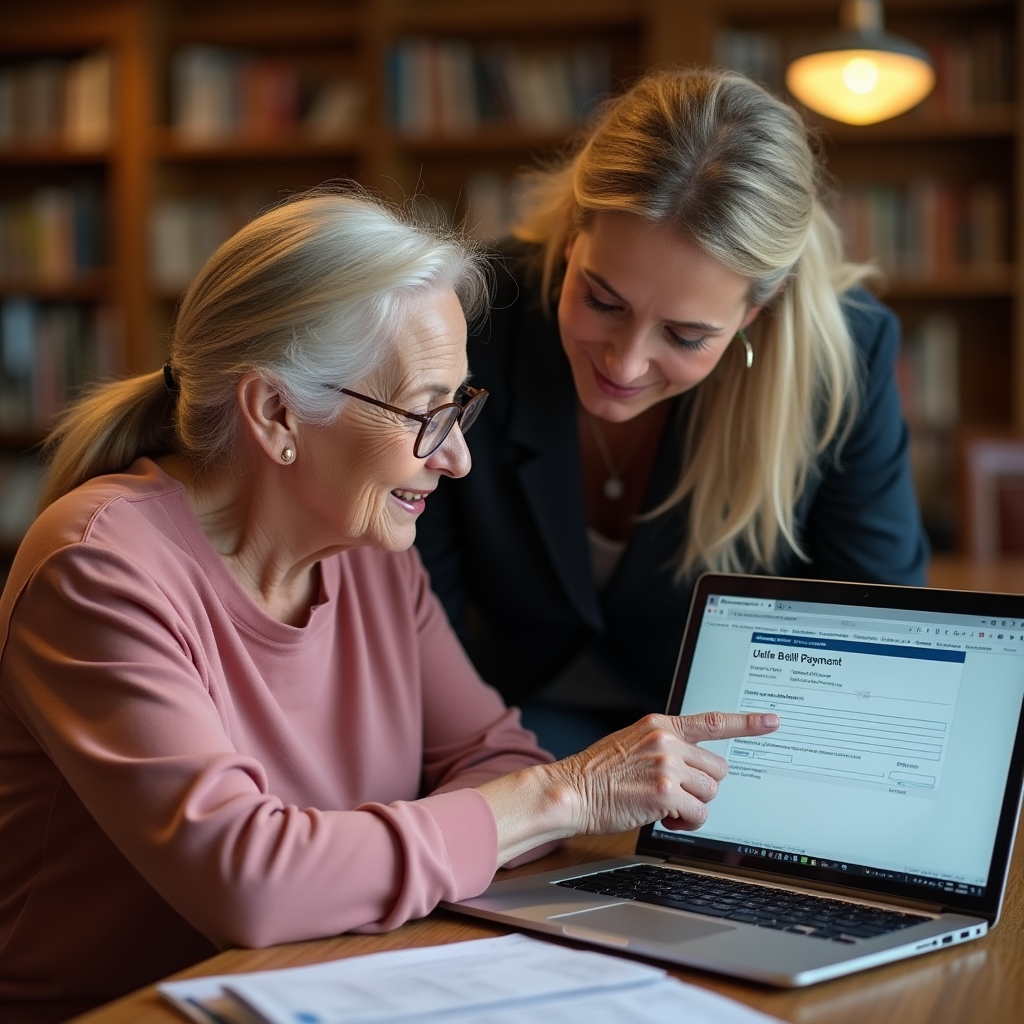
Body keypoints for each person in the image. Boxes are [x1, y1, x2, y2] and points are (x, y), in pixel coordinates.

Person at [0, 190, 778, 1021]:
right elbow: (251, 881)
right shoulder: (101, 567)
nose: (458, 461)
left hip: (332, 978)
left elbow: (495, 756)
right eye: (426, 412)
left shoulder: (370, 555)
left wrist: (374, 855)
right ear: (275, 411)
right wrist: (569, 795)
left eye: (461, 407)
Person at [416, 68, 928, 759]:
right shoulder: (476, 317)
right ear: (573, 238)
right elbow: (413, 613)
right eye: (601, 300)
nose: (624, 366)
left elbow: (874, 631)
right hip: (496, 721)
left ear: (757, 311)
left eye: (687, 337)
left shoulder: (844, 359)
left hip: (729, 746)